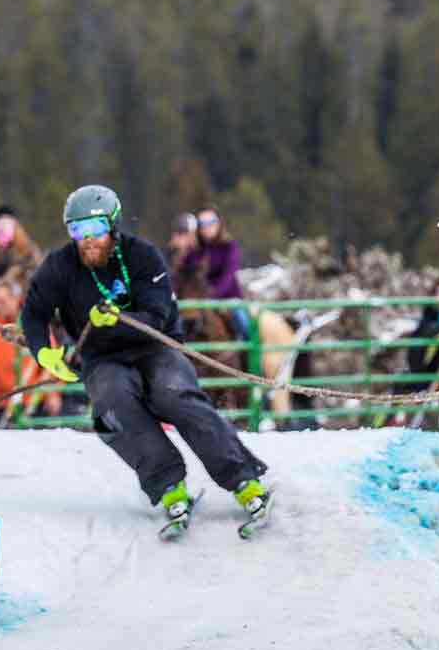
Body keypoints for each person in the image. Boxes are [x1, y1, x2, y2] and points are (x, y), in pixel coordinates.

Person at [20, 185, 270, 527]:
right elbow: (33, 313)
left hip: (155, 346)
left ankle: (243, 478)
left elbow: (157, 315)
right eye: (77, 230)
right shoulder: (59, 266)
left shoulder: (143, 256)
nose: (87, 239)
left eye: (95, 229)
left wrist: (118, 320)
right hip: (101, 359)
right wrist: (44, 352)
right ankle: (168, 486)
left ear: (113, 225)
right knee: (112, 406)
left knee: (174, 395)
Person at [0, 278, 61, 427]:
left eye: (1, 301)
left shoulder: (33, 323)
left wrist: (53, 393)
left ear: (15, 300)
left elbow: (54, 362)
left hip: (30, 401)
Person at [182, 205, 251, 341]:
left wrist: (213, 295)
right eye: (202, 224)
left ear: (219, 223)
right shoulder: (194, 251)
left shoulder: (229, 247)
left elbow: (229, 276)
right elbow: (183, 275)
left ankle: (251, 356)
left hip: (227, 298)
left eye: (211, 222)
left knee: (243, 322)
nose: (207, 227)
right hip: (198, 300)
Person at [165, 212, 199, 294]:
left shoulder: (199, 256)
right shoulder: (166, 255)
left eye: (186, 233)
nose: (183, 238)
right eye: (180, 233)